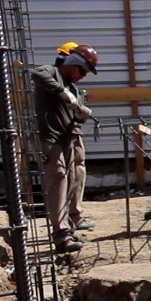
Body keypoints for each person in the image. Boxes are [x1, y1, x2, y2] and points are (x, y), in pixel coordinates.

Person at [31, 43, 99, 253]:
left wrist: (80, 111)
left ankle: (66, 230)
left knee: (69, 185)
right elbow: (36, 74)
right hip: (50, 139)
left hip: (66, 140)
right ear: (73, 63)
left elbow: (77, 114)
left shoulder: (73, 87)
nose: (84, 76)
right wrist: (63, 93)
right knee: (58, 185)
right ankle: (61, 238)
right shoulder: (51, 73)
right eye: (83, 70)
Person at [52, 41, 94, 232]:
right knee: (64, 176)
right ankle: (69, 219)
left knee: (78, 171)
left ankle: (74, 216)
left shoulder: (69, 84)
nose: (83, 76)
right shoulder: (54, 81)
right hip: (59, 137)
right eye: (82, 71)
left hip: (72, 134)